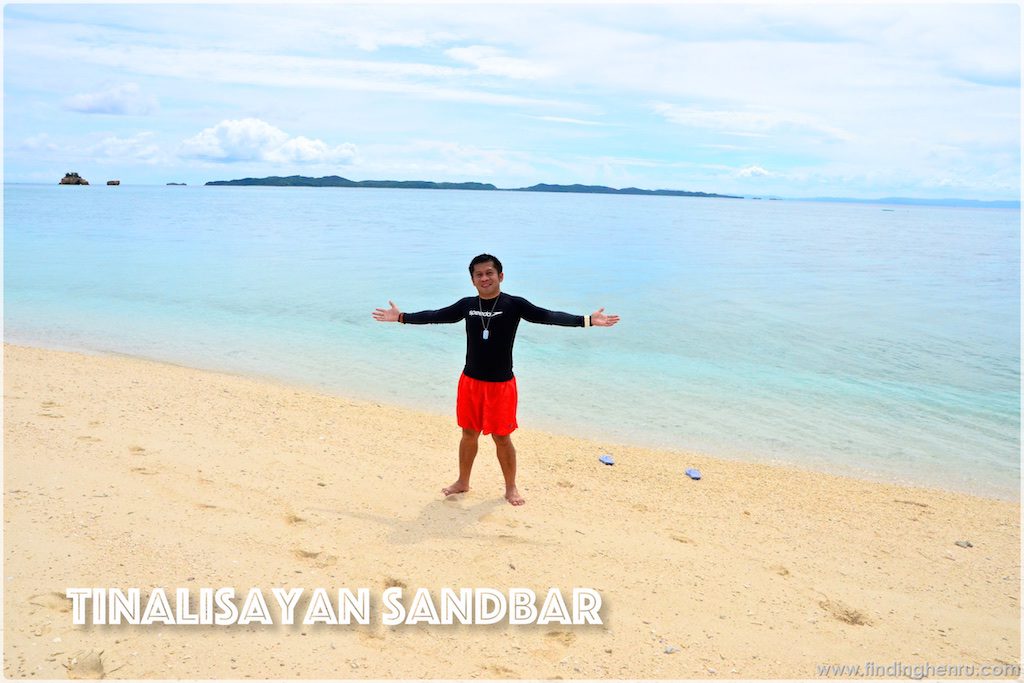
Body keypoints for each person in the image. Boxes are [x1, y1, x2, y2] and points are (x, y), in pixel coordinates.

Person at [372, 253, 620, 506]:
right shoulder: (467, 305)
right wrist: (401, 317)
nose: (484, 278)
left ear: (500, 276)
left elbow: (548, 316)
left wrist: (587, 321)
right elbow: (437, 314)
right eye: (478, 274)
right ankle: (463, 481)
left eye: (489, 273)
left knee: (502, 437)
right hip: (470, 381)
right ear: (472, 280)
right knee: (468, 433)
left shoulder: (514, 305)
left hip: (501, 385)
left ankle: (510, 487)